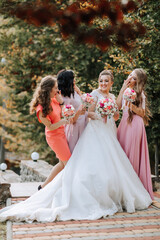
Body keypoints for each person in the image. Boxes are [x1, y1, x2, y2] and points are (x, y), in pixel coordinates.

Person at [0, 70, 152, 223]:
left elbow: (117, 113)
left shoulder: (110, 96)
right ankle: (71, 192)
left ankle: (112, 194)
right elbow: (89, 113)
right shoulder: (93, 94)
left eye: (107, 81)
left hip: (109, 131)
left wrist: (110, 111)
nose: (103, 83)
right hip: (94, 130)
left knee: (112, 163)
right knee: (80, 164)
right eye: (101, 80)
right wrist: (100, 113)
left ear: (111, 83)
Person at [116, 68, 154, 199]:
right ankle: (123, 188)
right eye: (129, 75)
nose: (129, 78)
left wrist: (131, 106)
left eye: (133, 77)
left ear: (137, 81)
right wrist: (122, 88)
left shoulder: (140, 94)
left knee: (132, 155)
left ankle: (133, 191)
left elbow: (142, 113)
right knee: (122, 153)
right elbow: (118, 106)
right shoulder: (126, 90)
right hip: (124, 123)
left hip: (135, 125)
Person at [30, 75, 71, 189]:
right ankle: (67, 190)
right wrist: (63, 122)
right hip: (55, 137)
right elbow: (51, 127)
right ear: (48, 89)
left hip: (62, 133)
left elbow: (63, 113)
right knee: (69, 164)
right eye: (55, 88)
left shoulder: (54, 99)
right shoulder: (41, 109)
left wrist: (61, 103)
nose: (58, 90)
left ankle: (43, 187)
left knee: (62, 164)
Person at [57, 69, 97, 152]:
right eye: (72, 78)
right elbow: (70, 121)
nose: (74, 80)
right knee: (76, 151)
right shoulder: (64, 99)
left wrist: (79, 91)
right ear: (68, 81)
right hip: (75, 128)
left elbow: (81, 102)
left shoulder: (73, 91)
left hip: (84, 123)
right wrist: (79, 111)